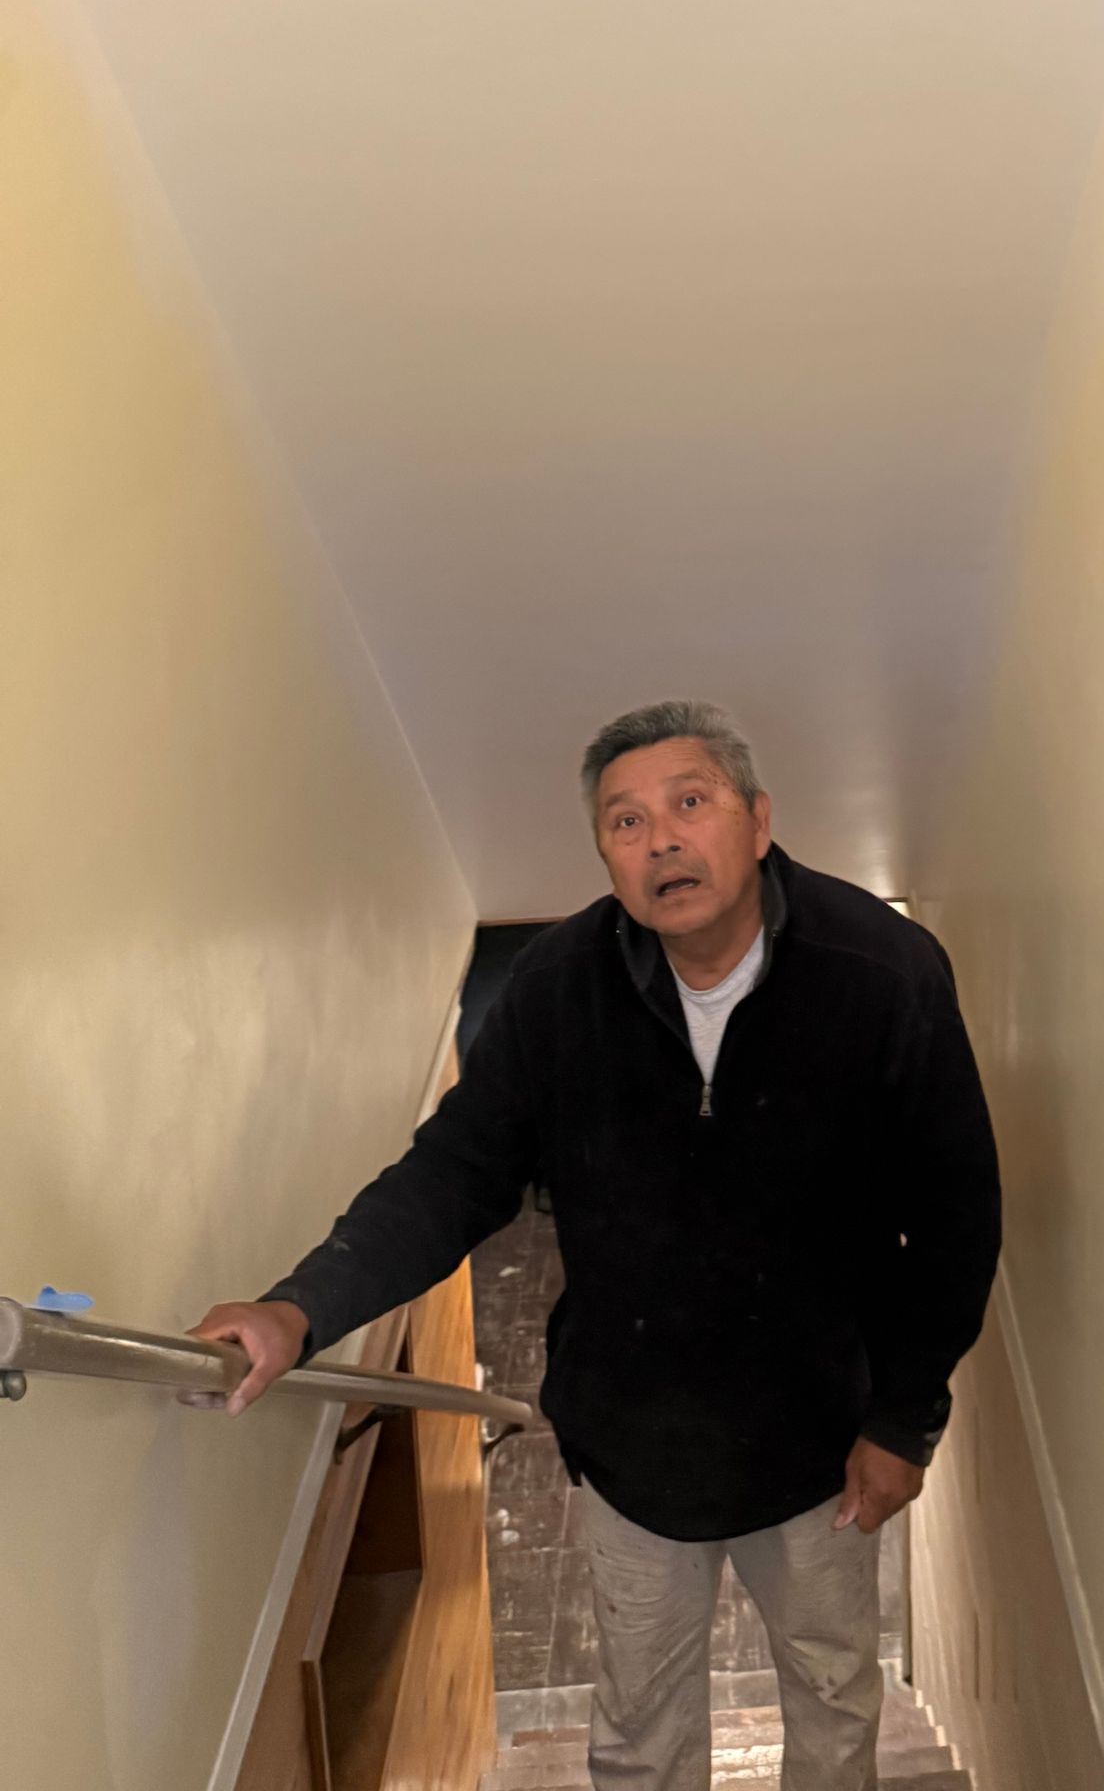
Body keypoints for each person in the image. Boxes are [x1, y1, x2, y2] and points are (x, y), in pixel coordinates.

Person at [190, 699, 1002, 1791]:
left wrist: (905, 1418)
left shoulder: (885, 973)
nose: (661, 836)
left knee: (831, 1699)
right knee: (639, 1736)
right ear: (607, 860)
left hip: (823, 1452)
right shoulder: (556, 990)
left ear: (758, 823)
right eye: (625, 821)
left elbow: (955, 1214)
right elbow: (454, 1173)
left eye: (690, 802)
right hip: (634, 1458)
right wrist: (302, 1307)